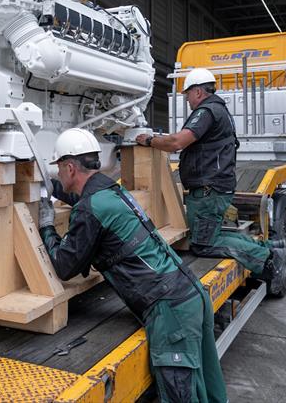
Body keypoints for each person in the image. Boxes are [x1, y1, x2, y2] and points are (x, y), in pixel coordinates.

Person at [38, 128, 228, 403]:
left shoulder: (91, 208)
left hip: (170, 312)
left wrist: (46, 226)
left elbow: (64, 266)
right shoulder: (111, 190)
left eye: (58, 169)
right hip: (189, 295)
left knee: (180, 396)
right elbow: (87, 204)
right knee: (209, 388)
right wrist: (54, 189)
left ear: (69, 167)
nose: (57, 173)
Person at [135, 68, 286, 294]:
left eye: (187, 94)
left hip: (209, 190)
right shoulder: (218, 110)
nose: (186, 99)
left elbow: (177, 142)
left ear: (198, 91)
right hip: (213, 188)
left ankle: (267, 258)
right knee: (210, 236)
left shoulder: (206, 111)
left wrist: (149, 140)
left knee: (203, 244)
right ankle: (268, 249)